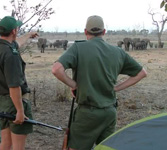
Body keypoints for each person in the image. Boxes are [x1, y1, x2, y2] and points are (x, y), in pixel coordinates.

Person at [52, 15, 147, 150]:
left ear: (85, 32)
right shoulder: (118, 52)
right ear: (104, 32)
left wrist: (73, 85)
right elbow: (142, 73)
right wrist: (116, 88)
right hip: (109, 112)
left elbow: (56, 69)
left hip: (87, 113)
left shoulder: (78, 48)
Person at [0, 16, 38, 150]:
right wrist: (20, 111)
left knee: (5, 143)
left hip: (1, 102)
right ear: (14, 31)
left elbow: (17, 43)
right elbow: (14, 86)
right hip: (13, 104)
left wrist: (28, 35)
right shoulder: (11, 54)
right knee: (18, 147)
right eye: (17, 28)